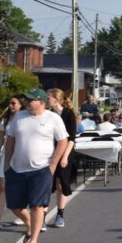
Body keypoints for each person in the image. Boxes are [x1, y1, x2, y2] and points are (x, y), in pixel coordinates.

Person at [3, 88, 69, 243]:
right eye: (26, 99)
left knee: (36, 205)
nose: (27, 102)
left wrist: (53, 164)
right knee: (14, 206)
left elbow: (63, 141)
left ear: (41, 102)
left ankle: (33, 241)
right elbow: (10, 140)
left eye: (30, 100)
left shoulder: (53, 118)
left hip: (41, 170)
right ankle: (30, 223)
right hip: (16, 169)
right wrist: (6, 165)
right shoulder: (19, 116)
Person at [0, 96, 22, 229]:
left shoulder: (25, 118)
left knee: (21, 187)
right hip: (6, 156)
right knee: (3, 187)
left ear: (20, 105)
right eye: (10, 103)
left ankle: (22, 215)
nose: (11, 105)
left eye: (13, 103)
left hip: (20, 156)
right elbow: (1, 138)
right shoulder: (6, 119)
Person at [47, 89, 78, 229]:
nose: (47, 100)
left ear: (56, 99)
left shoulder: (68, 113)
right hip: (50, 151)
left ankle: (60, 214)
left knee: (61, 183)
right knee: (47, 183)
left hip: (66, 151)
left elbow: (72, 138)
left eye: (49, 97)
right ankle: (41, 215)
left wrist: (64, 156)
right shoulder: (49, 115)